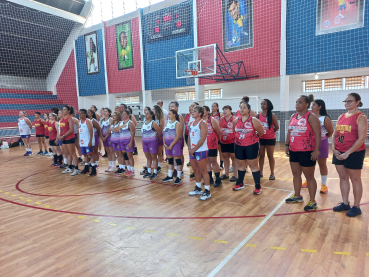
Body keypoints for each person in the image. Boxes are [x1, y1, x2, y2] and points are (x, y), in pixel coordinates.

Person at [332, 93, 367, 217]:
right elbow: (335, 134)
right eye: (345, 101)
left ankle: (356, 207)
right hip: (339, 151)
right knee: (343, 178)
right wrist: (334, 149)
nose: (346, 103)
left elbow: (362, 138)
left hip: (354, 152)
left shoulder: (361, 117)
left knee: (355, 180)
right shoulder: (342, 116)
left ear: (357, 102)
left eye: (350, 101)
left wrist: (348, 152)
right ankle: (345, 203)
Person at [285, 95, 321, 211]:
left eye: (300, 102)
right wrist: (287, 145)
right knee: (296, 174)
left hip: (307, 151)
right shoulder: (293, 116)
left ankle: (312, 200)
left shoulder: (311, 117)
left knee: (309, 177)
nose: (297, 104)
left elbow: (318, 134)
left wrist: (316, 150)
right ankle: (297, 196)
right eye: (296, 102)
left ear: (307, 104)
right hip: (294, 150)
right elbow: (289, 131)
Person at [301, 99, 334, 193]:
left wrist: (323, 138)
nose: (312, 107)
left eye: (314, 105)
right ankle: (308, 180)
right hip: (309, 143)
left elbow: (330, 132)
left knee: (322, 165)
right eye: (312, 105)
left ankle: (324, 185)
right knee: (308, 164)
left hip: (322, 144)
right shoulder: (308, 117)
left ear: (320, 106)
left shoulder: (325, 118)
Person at [233, 102, 264, 194]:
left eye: (244, 107)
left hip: (251, 145)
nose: (242, 109)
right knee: (241, 165)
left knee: (253, 166)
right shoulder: (236, 120)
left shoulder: (254, 120)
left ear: (248, 110)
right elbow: (234, 131)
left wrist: (250, 138)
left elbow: (261, 132)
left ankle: (258, 186)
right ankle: (240, 183)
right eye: (241, 108)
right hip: (238, 145)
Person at [188, 106, 211, 200]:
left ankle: (207, 191)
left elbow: (202, 139)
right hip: (192, 150)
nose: (192, 112)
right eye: (192, 111)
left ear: (200, 113)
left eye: (195, 111)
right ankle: (198, 188)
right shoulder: (191, 123)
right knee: (195, 170)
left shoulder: (203, 123)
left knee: (203, 171)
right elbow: (189, 137)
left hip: (201, 150)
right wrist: (189, 148)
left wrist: (194, 149)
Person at [258, 99, 279, 180]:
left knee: (270, 156)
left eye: (264, 104)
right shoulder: (258, 116)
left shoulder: (272, 115)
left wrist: (270, 132)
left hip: (270, 139)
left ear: (268, 106)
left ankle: (272, 173)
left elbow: (277, 127)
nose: (262, 105)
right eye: (261, 104)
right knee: (261, 156)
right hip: (261, 139)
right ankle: (260, 173)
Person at [162, 109, 183, 184]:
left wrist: (171, 145)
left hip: (174, 144)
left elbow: (178, 136)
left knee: (177, 160)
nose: (168, 115)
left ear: (174, 114)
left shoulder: (177, 123)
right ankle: (170, 176)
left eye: (170, 114)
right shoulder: (167, 123)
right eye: (168, 114)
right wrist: (164, 143)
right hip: (167, 145)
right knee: (170, 160)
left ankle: (179, 177)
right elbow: (164, 134)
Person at [203, 106, 222, 187]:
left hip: (212, 144)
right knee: (206, 161)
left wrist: (216, 141)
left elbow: (219, 132)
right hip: (204, 145)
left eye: (203, 110)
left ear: (208, 111)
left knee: (213, 161)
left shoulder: (212, 119)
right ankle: (210, 178)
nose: (202, 112)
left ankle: (218, 179)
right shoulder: (200, 120)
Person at [59, 105, 80, 176]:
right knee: (67, 153)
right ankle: (70, 167)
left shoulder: (70, 118)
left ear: (69, 111)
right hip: (63, 138)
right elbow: (61, 129)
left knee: (72, 153)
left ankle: (76, 169)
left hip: (69, 138)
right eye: (63, 109)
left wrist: (64, 136)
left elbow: (71, 130)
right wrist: (60, 135)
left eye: (65, 109)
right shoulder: (62, 119)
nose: (63, 111)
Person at [141, 109, 161, 179]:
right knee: (148, 158)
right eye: (145, 114)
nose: (146, 115)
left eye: (147, 114)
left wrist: (156, 140)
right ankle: (149, 171)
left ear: (151, 115)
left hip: (152, 142)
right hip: (144, 142)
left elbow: (159, 133)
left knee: (154, 157)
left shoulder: (153, 123)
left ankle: (155, 172)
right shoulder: (144, 123)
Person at [219, 105, 238, 182]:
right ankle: (226, 174)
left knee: (234, 157)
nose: (224, 111)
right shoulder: (221, 119)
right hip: (223, 141)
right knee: (225, 157)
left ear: (230, 110)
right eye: (223, 109)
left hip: (232, 141)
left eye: (226, 109)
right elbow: (219, 129)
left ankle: (235, 175)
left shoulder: (234, 118)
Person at [116, 110, 136, 177]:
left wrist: (131, 142)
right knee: (125, 156)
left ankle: (132, 171)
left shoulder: (130, 123)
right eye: (123, 114)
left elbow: (133, 133)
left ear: (128, 115)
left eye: (124, 114)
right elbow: (116, 131)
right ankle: (128, 169)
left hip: (128, 142)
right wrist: (120, 127)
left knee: (130, 156)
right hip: (122, 142)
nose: (123, 115)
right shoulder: (121, 123)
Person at [169, 101, 185, 176]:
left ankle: (180, 169)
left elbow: (181, 128)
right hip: (171, 139)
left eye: (172, 106)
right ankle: (175, 169)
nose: (170, 107)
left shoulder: (180, 116)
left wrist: (181, 139)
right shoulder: (170, 117)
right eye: (170, 106)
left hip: (178, 138)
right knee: (174, 155)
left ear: (176, 107)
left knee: (180, 154)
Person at [79, 109, 97, 177]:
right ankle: (86, 168)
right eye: (79, 114)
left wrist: (90, 141)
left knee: (91, 155)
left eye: (81, 114)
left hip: (88, 141)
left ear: (84, 114)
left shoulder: (88, 121)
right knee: (85, 155)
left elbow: (91, 131)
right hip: (82, 141)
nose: (80, 115)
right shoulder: (79, 121)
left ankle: (93, 170)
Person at [101, 108, 115, 172]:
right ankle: (109, 165)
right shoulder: (102, 120)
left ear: (109, 113)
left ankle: (113, 165)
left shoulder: (110, 119)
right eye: (104, 111)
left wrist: (106, 137)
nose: (104, 112)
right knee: (108, 152)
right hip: (104, 137)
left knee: (112, 152)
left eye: (106, 111)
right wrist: (102, 137)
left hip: (109, 137)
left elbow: (110, 129)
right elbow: (100, 129)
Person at [153, 105, 165, 173]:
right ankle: (155, 165)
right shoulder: (153, 118)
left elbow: (161, 129)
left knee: (159, 152)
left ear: (157, 110)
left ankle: (159, 166)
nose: (152, 110)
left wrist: (158, 136)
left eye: (154, 109)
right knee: (154, 152)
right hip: (152, 137)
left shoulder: (161, 118)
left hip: (159, 136)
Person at [212, 102, 224, 169]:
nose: (213, 107)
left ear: (217, 107)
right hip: (212, 135)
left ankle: (221, 164)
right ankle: (214, 164)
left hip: (218, 133)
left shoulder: (220, 114)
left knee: (220, 150)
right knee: (213, 150)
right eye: (212, 106)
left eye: (214, 106)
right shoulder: (209, 115)